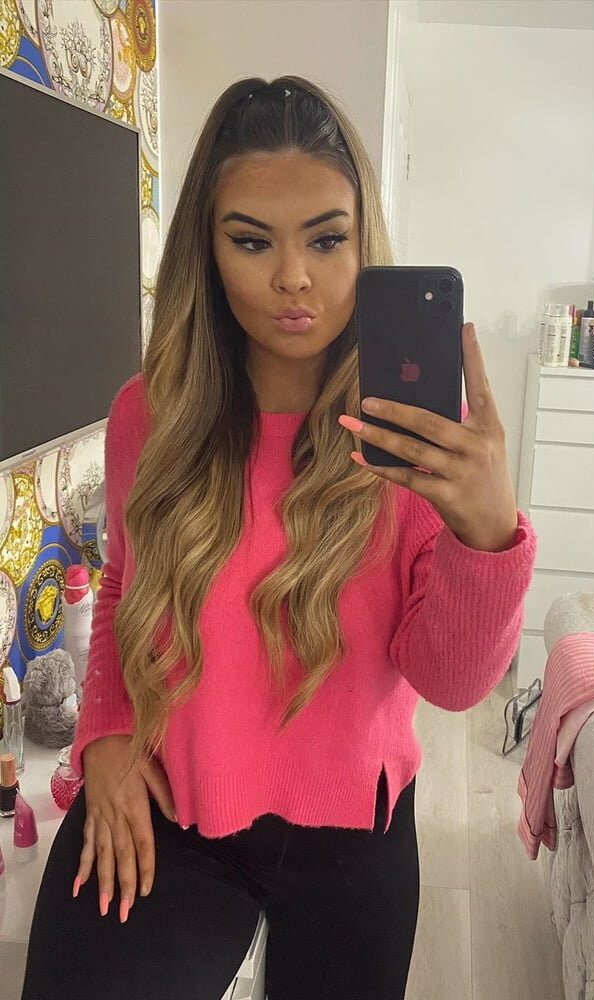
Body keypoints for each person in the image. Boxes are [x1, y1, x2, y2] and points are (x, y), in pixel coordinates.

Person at [22, 75, 536, 1000]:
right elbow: (125, 590)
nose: (293, 277)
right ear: (207, 250)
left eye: (326, 239)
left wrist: (486, 536)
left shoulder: (416, 437)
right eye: (252, 240)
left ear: (363, 243)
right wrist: (103, 733)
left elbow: (452, 682)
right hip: (172, 808)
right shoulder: (151, 415)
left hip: (354, 836)